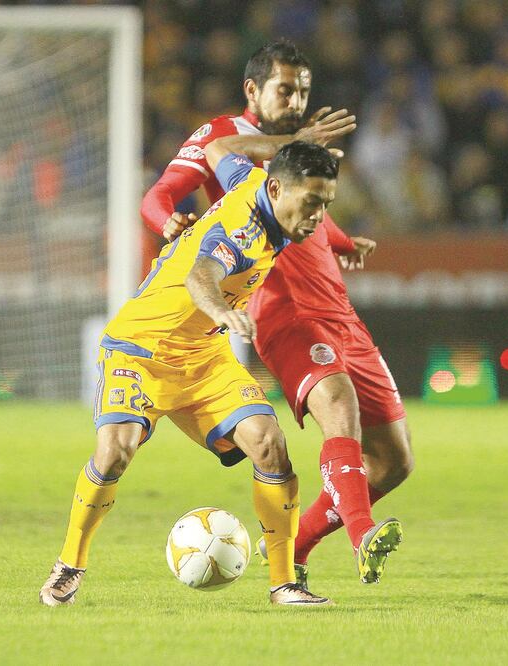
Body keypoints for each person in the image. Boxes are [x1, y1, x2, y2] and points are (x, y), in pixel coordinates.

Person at [40, 124, 355, 607]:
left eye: (325, 204)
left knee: (269, 444)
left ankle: (284, 583)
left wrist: (290, 146)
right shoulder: (245, 232)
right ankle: (70, 564)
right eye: (311, 202)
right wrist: (222, 311)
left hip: (203, 358)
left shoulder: (253, 182)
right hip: (140, 350)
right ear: (277, 190)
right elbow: (200, 276)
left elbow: (219, 148)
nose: (317, 216)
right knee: (115, 452)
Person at [141, 40, 414, 589]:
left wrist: (341, 241)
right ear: (253, 89)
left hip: (338, 308)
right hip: (284, 309)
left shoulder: (297, 152)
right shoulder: (226, 137)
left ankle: (295, 547)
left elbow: (304, 205)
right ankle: (363, 536)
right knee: (338, 405)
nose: (296, 102)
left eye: (303, 92)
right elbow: (159, 195)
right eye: (285, 90)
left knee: (393, 462)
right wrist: (166, 222)